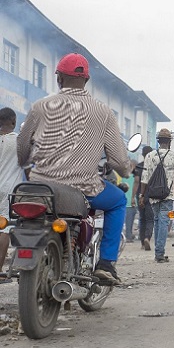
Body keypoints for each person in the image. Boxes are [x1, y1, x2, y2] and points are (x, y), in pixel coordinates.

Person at [17, 53, 133, 284]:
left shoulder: (40, 107)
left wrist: (26, 162)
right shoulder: (103, 112)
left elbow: (22, 147)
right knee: (119, 200)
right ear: (86, 80)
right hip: (83, 188)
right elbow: (119, 161)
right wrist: (127, 170)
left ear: (59, 78)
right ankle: (106, 264)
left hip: (41, 186)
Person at [139, 128, 174, 263]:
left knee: (158, 220)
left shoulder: (150, 156)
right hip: (167, 194)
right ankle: (159, 253)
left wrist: (142, 195)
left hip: (152, 195)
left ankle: (158, 251)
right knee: (164, 221)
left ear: (158, 142)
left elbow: (144, 178)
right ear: (169, 142)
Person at [0, 108, 26, 282]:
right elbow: (29, 167)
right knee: (4, 228)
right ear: (14, 122)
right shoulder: (19, 142)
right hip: (8, 189)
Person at [133, 146, 154, 251]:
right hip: (151, 195)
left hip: (140, 195)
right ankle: (147, 238)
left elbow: (136, 182)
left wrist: (133, 197)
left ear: (142, 154)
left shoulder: (139, 166)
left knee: (142, 219)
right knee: (150, 219)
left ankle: (142, 243)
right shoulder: (154, 167)